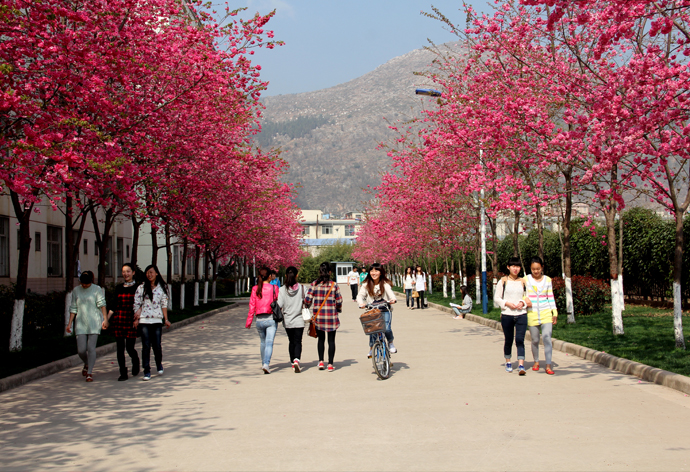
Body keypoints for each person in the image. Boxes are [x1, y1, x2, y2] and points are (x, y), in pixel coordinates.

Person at [66, 270, 107, 382]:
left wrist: (105, 319)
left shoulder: (97, 289)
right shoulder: (76, 291)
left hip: (94, 322)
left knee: (91, 348)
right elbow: (73, 308)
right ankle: (86, 363)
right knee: (81, 350)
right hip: (80, 323)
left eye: (87, 284)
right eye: (83, 283)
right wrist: (69, 323)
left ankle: (89, 373)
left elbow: (102, 305)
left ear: (91, 281)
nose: (85, 285)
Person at [494, 257, 531, 375]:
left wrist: (522, 303)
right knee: (508, 340)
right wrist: (507, 303)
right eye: (513, 266)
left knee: (520, 340)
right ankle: (508, 362)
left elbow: (528, 298)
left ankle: (521, 365)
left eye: (518, 266)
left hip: (521, 315)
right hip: (507, 315)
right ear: (508, 267)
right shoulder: (503, 281)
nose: (515, 269)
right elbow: (497, 298)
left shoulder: (523, 281)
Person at [133, 265, 171, 381]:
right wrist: (136, 319)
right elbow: (136, 303)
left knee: (157, 345)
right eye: (147, 273)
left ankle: (158, 364)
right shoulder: (141, 288)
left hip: (156, 320)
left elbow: (164, 305)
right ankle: (147, 370)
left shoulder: (162, 287)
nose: (149, 275)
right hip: (144, 320)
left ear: (156, 274)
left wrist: (166, 319)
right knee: (145, 346)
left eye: (151, 272)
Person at [104, 263, 140, 381]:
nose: (126, 274)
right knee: (120, 348)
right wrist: (106, 320)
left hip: (131, 319)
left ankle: (135, 362)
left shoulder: (138, 287)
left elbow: (141, 304)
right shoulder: (119, 287)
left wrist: (137, 319)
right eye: (124, 271)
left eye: (128, 271)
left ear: (133, 272)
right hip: (119, 319)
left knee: (130, 347)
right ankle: (123, 372)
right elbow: (114, 305)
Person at [304, 262, 343, 372]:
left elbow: (308, 300)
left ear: (320, 272)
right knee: (331, 341)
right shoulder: (334, 285)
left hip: (319, 317)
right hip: (331, 317)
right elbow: (339, 301)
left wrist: (307, 305)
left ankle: (321, 361)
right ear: (330, 272)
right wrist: (338, 309)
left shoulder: (314, 284)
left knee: (321, 340)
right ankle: (330, 364)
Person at [525, 257, 558, 375]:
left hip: (546, 313)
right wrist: (525, 300)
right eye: (533, 269)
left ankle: (548, 365)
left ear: (542, 268)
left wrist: (554, 312)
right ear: (530, 268)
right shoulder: (526, 280)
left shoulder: (547, 280)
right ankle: (536, 361)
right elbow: (523, 294)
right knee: (534, 340)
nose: (536, 271)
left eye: (538, 269)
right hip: (532, 314)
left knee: (547, 337)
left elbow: (550, 297)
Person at [357, 263, 397, 357]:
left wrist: (392, 299)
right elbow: (360, 296)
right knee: (372, 330)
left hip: (384, 309)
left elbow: (391, 294)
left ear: (381, 272)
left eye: (376, 271)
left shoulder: (385, 284)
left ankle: (390, 342)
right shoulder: (366, 284)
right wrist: (361, 303)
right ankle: (372, 348)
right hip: (372, 311)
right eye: (371, 271)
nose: (373, 273)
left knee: (386, 328)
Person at [246, 267, 279, 374]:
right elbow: (279, 302)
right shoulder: (274, 288)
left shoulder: (255, 289)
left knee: (262, 342)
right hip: (270, 319)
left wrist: (249, 321)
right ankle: (266, 364)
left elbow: (252, 306)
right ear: (270, 276)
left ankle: (263, 363)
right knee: (269, 343)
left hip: (259, 319)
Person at [278, 266, 306, 373]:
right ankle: (296, 360)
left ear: (286, 276)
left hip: (287, 320)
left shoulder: (282, 290)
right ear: (297, 275)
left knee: (291, 341)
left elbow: (279, 304)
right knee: (298, 341)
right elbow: (307, 302)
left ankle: (292, 361)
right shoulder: (303, 288)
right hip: (299, 319)